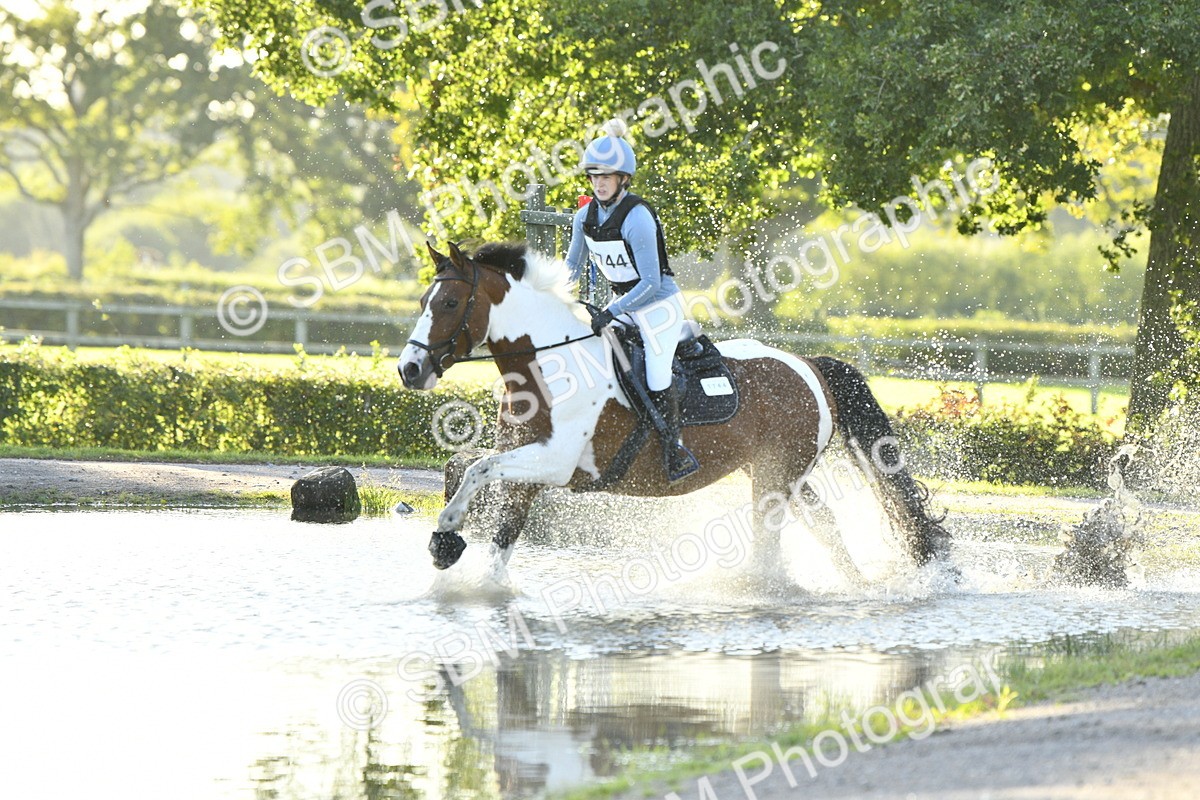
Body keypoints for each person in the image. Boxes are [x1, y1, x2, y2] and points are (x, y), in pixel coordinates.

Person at [564, 118, 699, 484]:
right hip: (622, 305)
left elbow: (652, 283)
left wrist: (610, 311)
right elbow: (571, 268)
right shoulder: (584, 217)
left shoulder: (637, 217)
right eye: (594, 176)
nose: (600, 182)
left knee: (656, 375)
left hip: (658, 306)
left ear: (624, 179)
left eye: (607, 176)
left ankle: (674, 452)